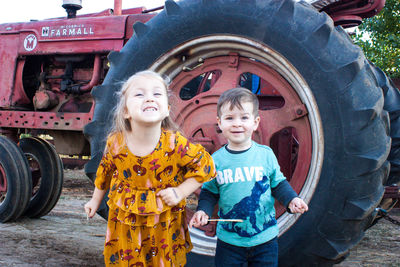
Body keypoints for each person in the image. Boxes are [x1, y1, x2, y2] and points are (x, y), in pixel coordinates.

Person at [84, 70, 216, 267]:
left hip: (163, 223)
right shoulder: (116, 142)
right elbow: (105, 172)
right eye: (139, 94)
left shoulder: (174, 144)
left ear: (166, 109)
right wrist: (95, 200)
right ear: (126, 111)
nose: (149, 99)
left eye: (157, 94)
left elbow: (206, 166)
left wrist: (180, 192)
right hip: (126, 221)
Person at [189, 87, 308, 267]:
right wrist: (203, 211)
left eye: (244, 117)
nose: (237, 124)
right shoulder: (216, 161)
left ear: (255, 122)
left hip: (265, 242)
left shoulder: (266, 155)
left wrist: (292, 200)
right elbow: (209, 192)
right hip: (229, 243)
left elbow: (278, 184)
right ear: (219, 123)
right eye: (230, 118)